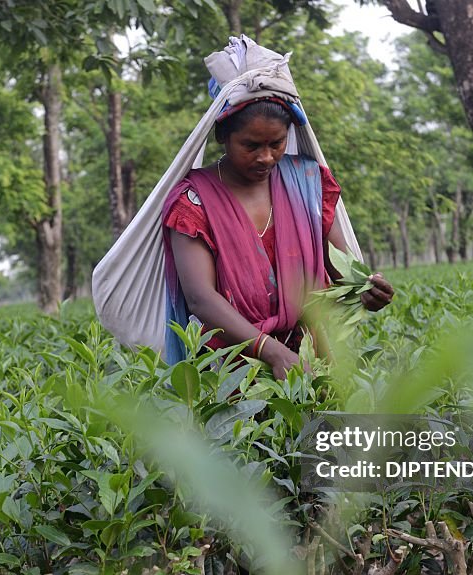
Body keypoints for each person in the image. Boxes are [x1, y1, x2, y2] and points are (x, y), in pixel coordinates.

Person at [161, 97, 394, 377]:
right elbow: (200, 298)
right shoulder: (193, 202)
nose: (266, 157)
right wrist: (270, 351)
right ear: (223, 135)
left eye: (277, 144)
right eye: (251, 146)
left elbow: (342, 269)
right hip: (232, 365)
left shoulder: (307, 184)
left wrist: (367, 288)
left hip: (310, 359)